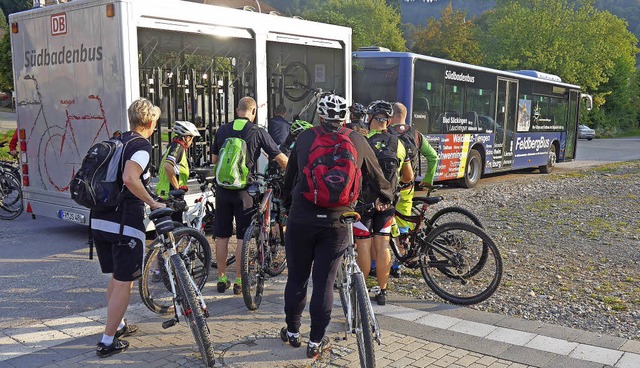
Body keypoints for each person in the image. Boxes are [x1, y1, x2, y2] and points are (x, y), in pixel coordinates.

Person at [281, 93, 393, 358]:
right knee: (324, 281)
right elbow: (377, 176)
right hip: (338, 220)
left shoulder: (305, 138)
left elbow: (290, 178)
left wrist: (287, 206)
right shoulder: (356, 139)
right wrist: (385, 199)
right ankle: (316, 341)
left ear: (320, 116)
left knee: (298, 276)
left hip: (302, 218)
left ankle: (293, 331)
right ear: (345, 117)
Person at [91, 98, 166, 358]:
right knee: (125, 282)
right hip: (124, 222)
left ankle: (118, 324)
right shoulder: (142, 146)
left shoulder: (118, 139)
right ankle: (107, 341)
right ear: (150, 122)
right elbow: (129, 178)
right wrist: (152, 201)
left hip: (100, 217)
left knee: (116, 276)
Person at [211, 97, 288, 295]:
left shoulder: (222, 130)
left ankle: (221, 278)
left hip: (222, 190)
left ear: (238, 110)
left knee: (222, 236)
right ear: (253, 112)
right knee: (242, 238)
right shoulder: (257, 131)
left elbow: (214, 159)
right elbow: (279, 157)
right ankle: (239, 280)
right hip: (244, 191)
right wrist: (293, 173)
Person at [354, 100, 414, 305]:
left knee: (363, 245)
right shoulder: (398, 143)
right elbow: (408, 177)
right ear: (388, 121)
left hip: (364, 203)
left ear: (370, 118)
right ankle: (382, 291)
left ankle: (360, 292)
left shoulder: (361, 141)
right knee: (383, 246)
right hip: (387, 204)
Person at [387, 102, 439, 277]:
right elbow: (433, 157)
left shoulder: (387, 134)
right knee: (404, 226)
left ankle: (376, 263)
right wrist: (427, 181)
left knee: (383, 225)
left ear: (391, 116)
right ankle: (397, 265)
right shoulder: (416, 135)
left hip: (389, 188)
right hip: (408, 187)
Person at [155, 120, 201, 222]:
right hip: (170, 195)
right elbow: (168, 166)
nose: (192, 141)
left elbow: (175, 168)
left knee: (169, 232)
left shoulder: (172, 146)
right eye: (191, 138)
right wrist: (177, 188)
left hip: (166, 193)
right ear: (186, 137)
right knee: (176, 230)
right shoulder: (178, 147)